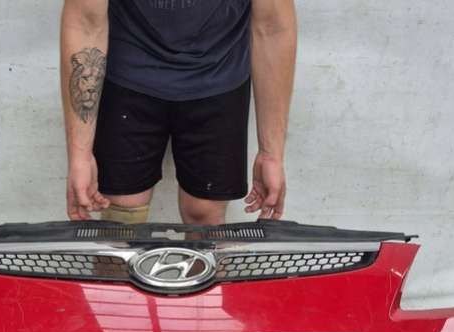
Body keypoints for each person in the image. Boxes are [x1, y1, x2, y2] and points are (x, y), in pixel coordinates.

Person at [60, 0, 297, 225]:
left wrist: (271, 155)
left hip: (219, 77)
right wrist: (80, 156)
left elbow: (272, 26)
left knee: (204, 215)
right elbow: (85, 21)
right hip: (128, 74)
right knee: (122, 214)